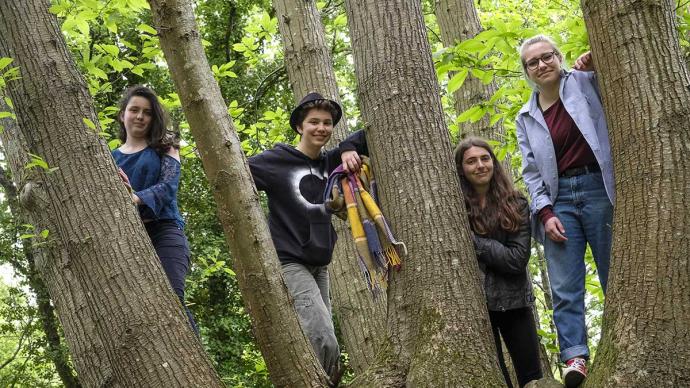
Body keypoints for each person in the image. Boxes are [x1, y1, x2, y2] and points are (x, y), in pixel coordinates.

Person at [516, 35, 615, 387]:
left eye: (547, 57)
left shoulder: (585, 82)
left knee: (614, 273)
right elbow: (531, 172)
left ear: (559, 58)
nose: (542, 65)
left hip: (599, 189)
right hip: (559, 204)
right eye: (533, 62)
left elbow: (621, 85)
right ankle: (575, 357)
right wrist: (545, 213)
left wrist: (597, 59)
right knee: (565, 285)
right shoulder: (525, 116)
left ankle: (618, 342)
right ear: (527, 71)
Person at [248, 92, 367, 382]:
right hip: (289, 262)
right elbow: (232, 171)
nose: (321, 128)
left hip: (320, 264)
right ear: (299, 126)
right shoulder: (276, 161)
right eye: (313, 122)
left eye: (327, 123)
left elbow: (370, 132)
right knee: (324, 339)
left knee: (318, 341)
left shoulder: (330, 162)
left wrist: (349, 147)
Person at [455, 137, 543, 388]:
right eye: (471, 161)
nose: (480, 165)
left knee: (532, 379)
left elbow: (517, 260)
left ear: (494, 162)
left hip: (515, 302)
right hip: (476, 307)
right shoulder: (455, 207)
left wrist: (473, 242)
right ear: (461, 169)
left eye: (485, 158)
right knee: (494, 379)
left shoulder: (516, 203)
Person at [112, 85, 199, 335]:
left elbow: (168, 187)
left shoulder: (166, 146)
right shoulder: (109, 158)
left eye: (147, 112)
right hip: (128, 240)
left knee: (172, 298)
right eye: (134, 110)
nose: (140, 116)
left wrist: (136, 198)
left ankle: (198, 364)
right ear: (122, 115)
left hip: (165, 231)